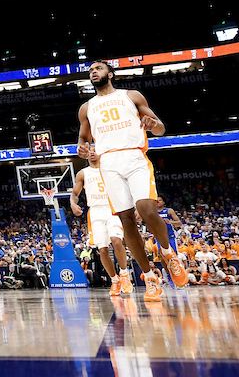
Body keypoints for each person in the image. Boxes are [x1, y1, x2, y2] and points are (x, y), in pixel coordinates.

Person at [76, 61, 186, 301]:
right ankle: (150, 277)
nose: (93, 72)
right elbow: (83, 138)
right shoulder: (87, 107)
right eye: (91, 70)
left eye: (98, 68)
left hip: (135, 156)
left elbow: (160, 129)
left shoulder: (131, 96)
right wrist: (81, 148)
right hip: (108, 163)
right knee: (126, 219)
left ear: (110, 74)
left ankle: (168, 254)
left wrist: (153, 124)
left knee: (146, 209)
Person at [70, 151, 130, 297]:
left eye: (94, 150)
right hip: (95, 212)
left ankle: (124, 273)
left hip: (112, 208)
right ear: (86, 155)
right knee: (102, 249)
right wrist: (73, 204)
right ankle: (114, 280)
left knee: (116, 240)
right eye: (89, 151)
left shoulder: (110, 168)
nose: (92, 153)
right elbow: (75, 194)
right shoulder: (82, 173)